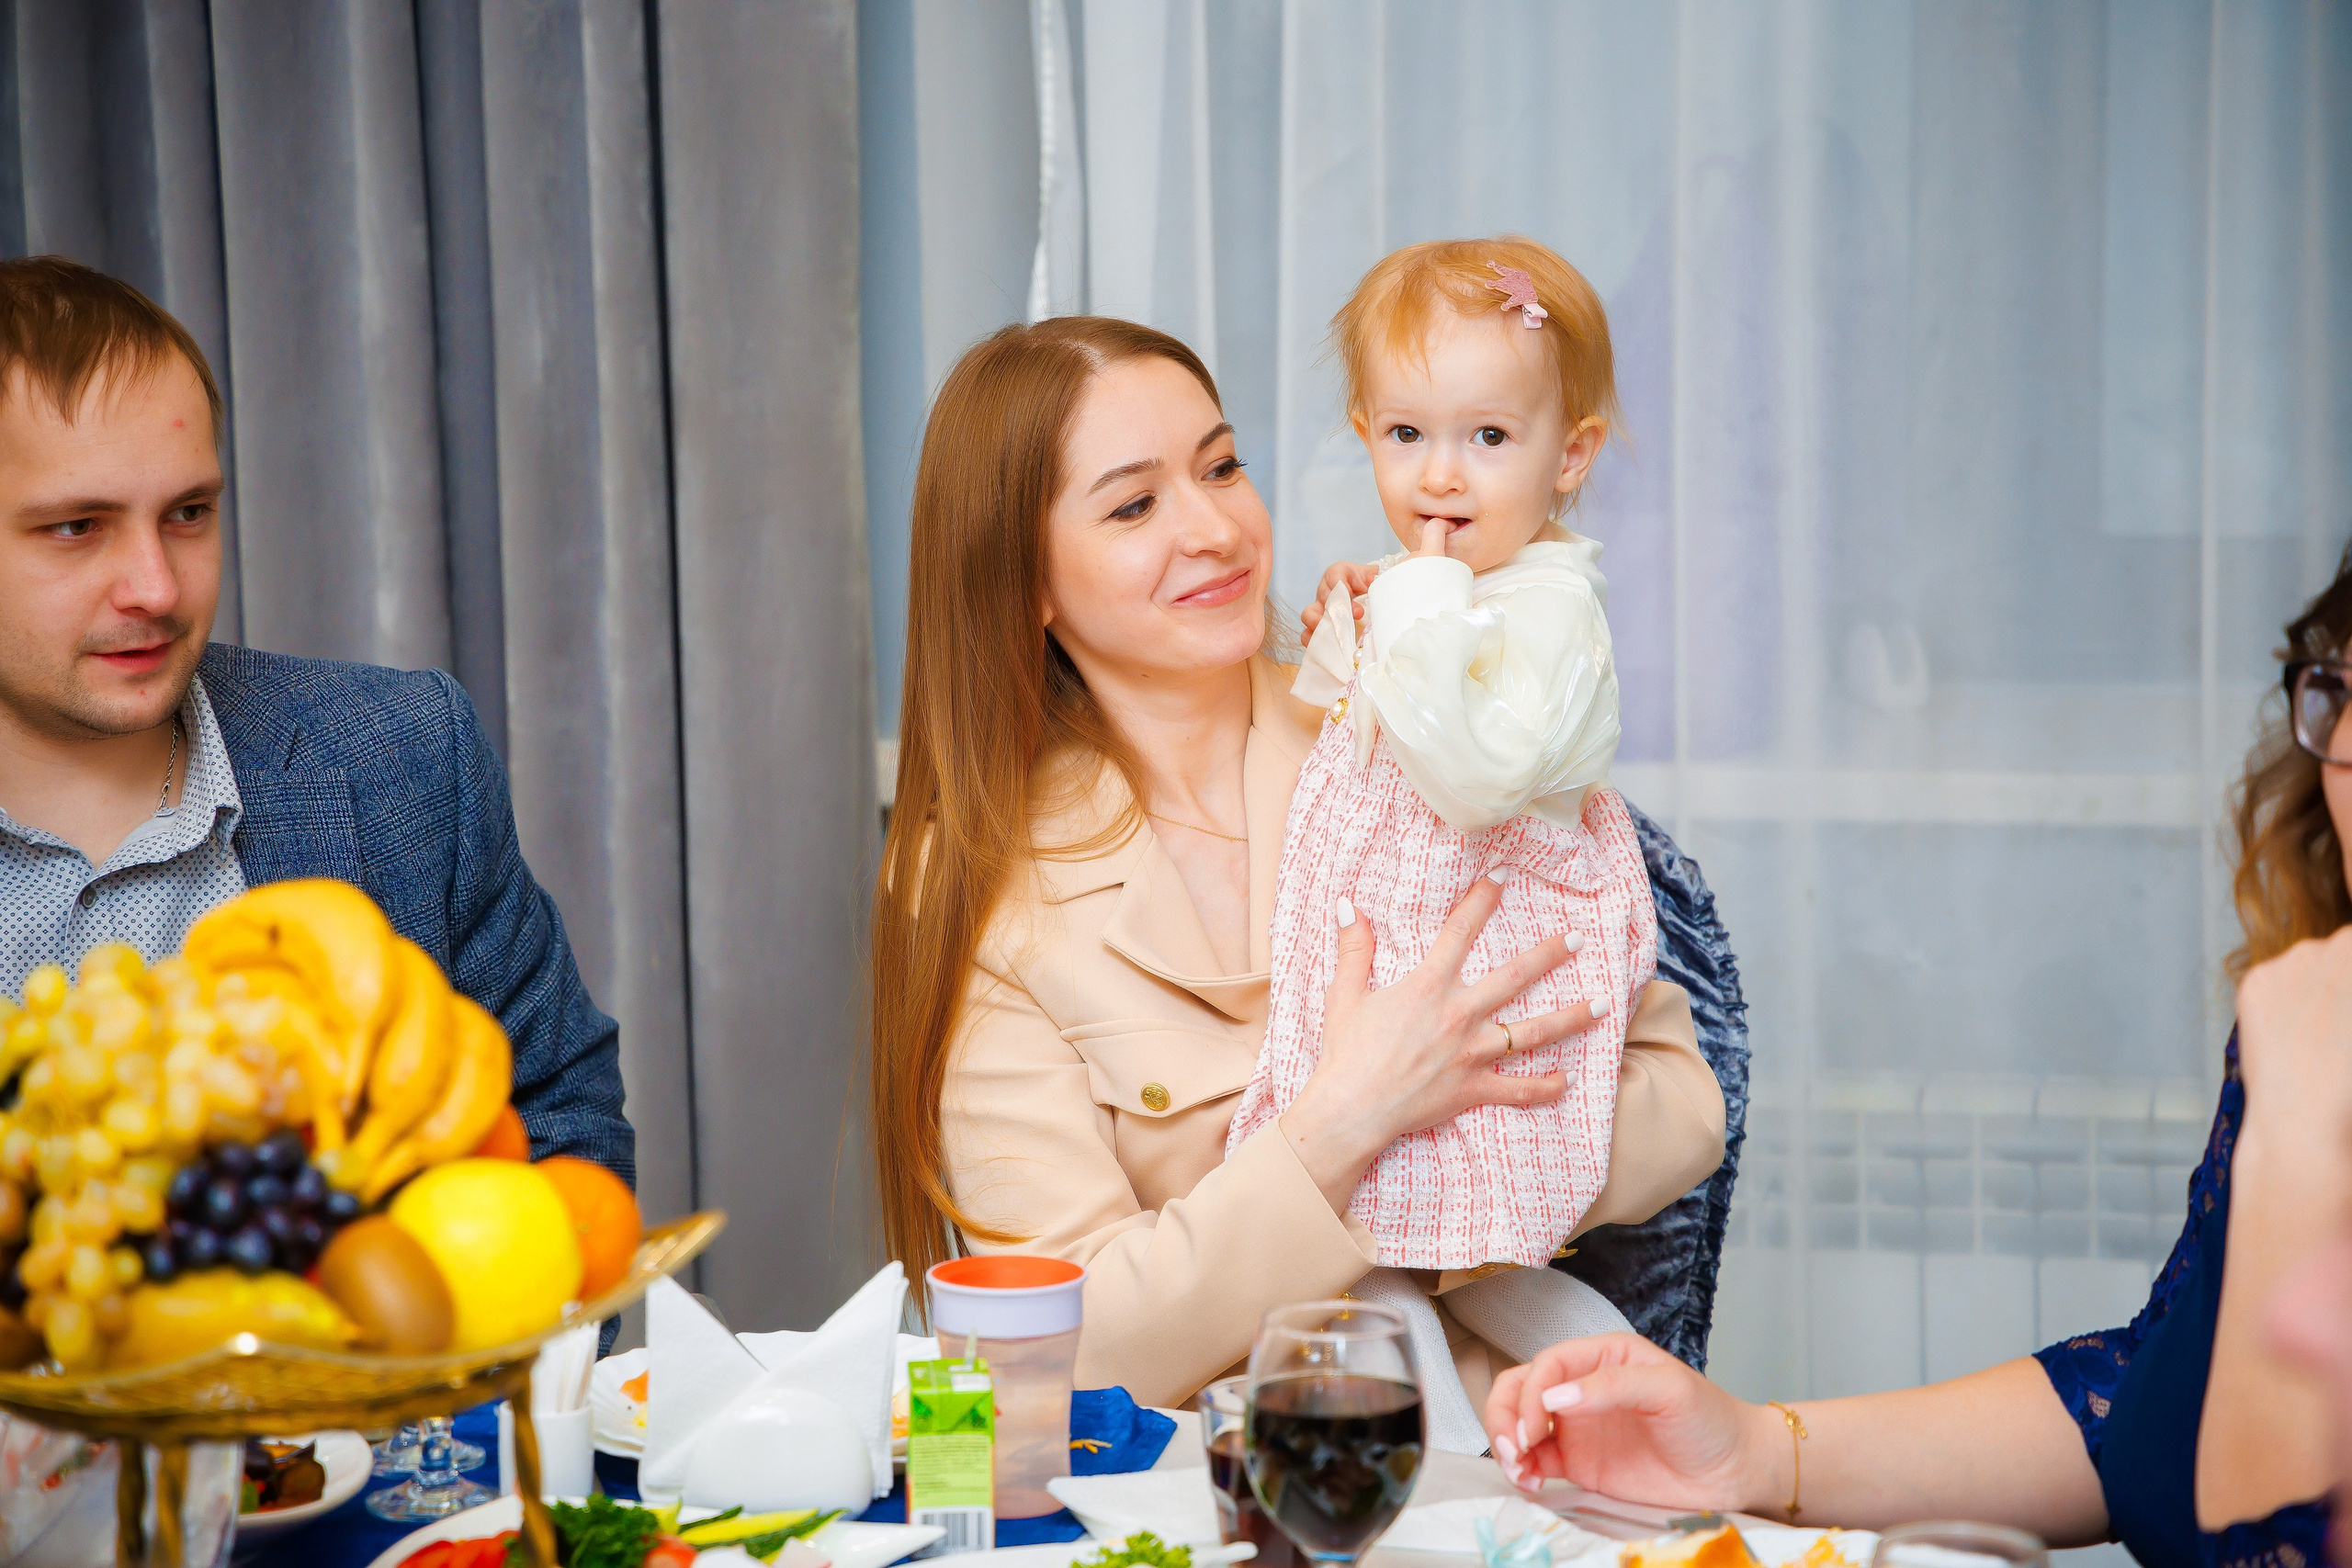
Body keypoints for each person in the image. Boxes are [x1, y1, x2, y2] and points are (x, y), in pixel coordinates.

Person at [867, 313, 1725, 1418]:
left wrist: (1439, 1161)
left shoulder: (1415, 718)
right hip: (1196, 1482)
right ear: (1022, 580)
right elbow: (1067, 1345)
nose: (1216, 528)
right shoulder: (975, 884)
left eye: (1222, 467)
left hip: (1503, 1447)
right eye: (1135, 505)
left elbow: (1680, 1105)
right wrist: (1346, 1121)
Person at [1482, 550, 2352, 1567]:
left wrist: (2297, 1134)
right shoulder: (2300, 1028)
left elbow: (2261, 1520)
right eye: (2337, 689)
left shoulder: (2305, 1045)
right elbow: (2153, 1404)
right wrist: (1753, 1451)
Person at [0, 254, 630, 1185]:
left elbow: (560, 1130)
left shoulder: (405, 756)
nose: (157, 587)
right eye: (76, 527)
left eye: (188, 513)